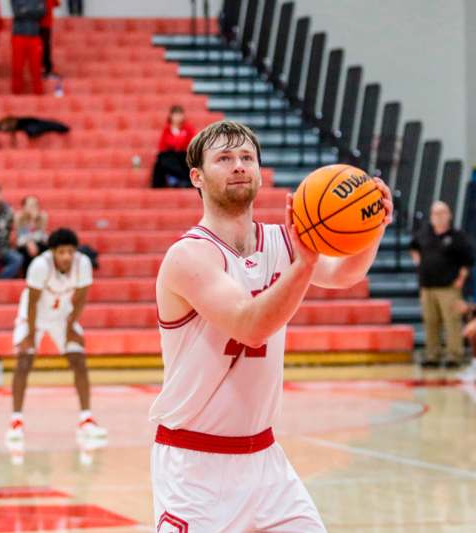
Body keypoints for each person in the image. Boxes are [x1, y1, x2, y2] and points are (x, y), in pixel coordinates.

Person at [149, 121, 392, 531]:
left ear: (261, 171)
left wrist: (373, 225)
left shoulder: (282, 240)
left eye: (247, 158)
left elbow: (346, 274)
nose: (239, 166)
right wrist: (304, 265)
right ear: (197, 177)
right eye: (224, 159)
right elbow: (250, 325)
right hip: (196, 468)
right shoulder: (189, 256)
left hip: (265, 460)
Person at [6, 228, 107, 442]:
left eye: (70, 252)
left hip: (61, 314)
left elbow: (81, 297)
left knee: (78, 359)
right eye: (62, 252)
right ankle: (16, 421)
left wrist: (71, 326)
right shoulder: (40, 266)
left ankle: (86, 419)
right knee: (24, 360)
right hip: (33, 314)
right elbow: (32, 302)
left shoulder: (83, 264)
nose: (66, 257)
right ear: (53, 252)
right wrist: (31, 334)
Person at [409, 201, 475, 369]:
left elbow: (468, 260)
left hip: (449, 287)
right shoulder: (424, 234)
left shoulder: (457, 236)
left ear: (449, 215)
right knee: (430, 322)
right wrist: (419, 262)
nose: (439, 216)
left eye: (443, 213)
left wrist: (461, 278)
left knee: (452, 322)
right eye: (436, 213)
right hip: (427, 286)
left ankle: (455, 356)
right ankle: (432, 355)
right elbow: (413, 246)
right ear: (431, 217)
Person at [152, 105, 196, 188]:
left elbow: (191, 144)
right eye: (175, 115)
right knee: (161, 160)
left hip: (183, 155)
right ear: (171, 116)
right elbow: (162, 146)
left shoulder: (188, 128)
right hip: (171, 156)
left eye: (179, 115)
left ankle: (184, 179)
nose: (177, 117)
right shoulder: (167, 129)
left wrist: (176, 144)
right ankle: (158, 185)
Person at [10, 0, 46, 95]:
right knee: (17, 66)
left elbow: (42, 12)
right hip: (19, 36)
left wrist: (26, 10)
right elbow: (17, 13)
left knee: (36, 67)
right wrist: (33, 11)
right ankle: (16, 92)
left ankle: (39, 92)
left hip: (34, 35)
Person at [15, 195, 49, 273]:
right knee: (27, 250)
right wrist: (29, 242)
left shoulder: (42, 216)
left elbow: (43, 236)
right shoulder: (19, 217)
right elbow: (20, 238)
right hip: (24, 245)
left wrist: (34, 220)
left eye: (35, 205)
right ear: (24, 207)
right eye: (30, 205)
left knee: (43, 248)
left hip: (39, 243)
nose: (33, 207)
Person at [40, 0, 60, 77]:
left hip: (45, 23)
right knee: (45, 47)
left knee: (45, 47)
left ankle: (46, 69)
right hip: (42, 23)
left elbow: (56, 4)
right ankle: (46, 69)